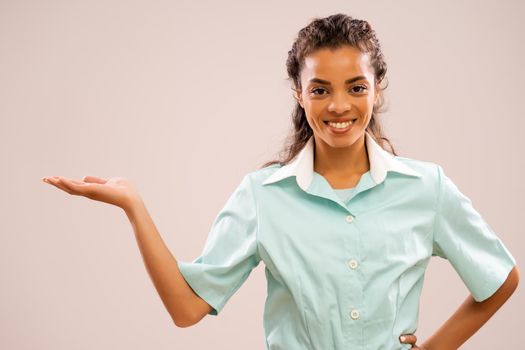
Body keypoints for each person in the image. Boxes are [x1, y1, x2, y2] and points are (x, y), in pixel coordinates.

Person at [42, 13, 519, 350]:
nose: (338, 106)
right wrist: (133, 206)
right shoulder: (262, 196)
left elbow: (499, 277)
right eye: (320, 90)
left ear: (377, 90)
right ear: (299, 93)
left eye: (356, 87)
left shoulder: (425, 188)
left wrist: (436, 349)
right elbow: (187, 310)